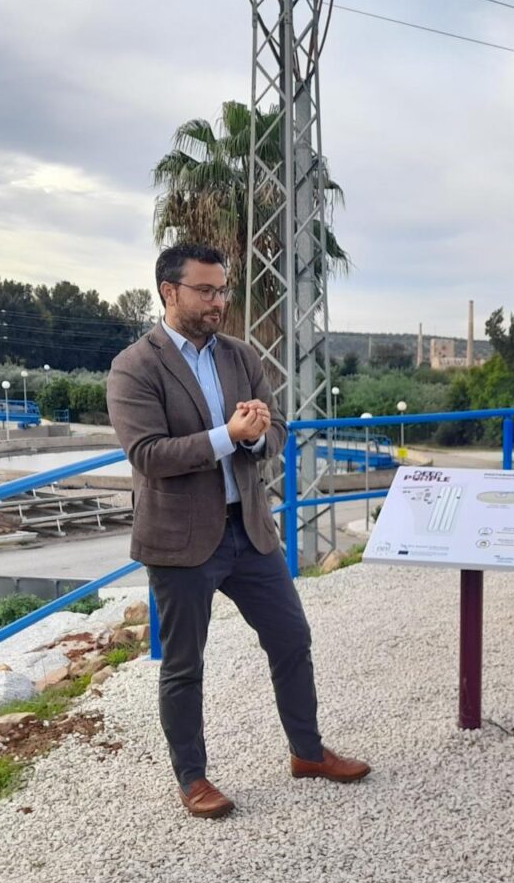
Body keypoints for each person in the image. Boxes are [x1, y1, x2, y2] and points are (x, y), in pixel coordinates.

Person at [106, 244, 368, 819]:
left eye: (223, 289)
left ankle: (307, 752)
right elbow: (148, 454)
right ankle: (193, 779)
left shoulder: (240, 356)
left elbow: (275, 433)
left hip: (249, 530)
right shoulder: (135, 366)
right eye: (205, 290)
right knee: (184, 665)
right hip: (180, 541)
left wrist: (254, 438)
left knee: (291, 637)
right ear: (169, 292)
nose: (219, 301)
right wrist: (230, 435)